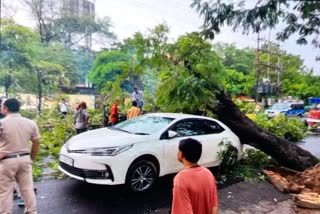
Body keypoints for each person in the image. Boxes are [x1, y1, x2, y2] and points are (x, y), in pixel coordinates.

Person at [0, 98, 40, 214]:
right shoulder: (30, 123)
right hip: (25, 159)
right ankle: (31, 212)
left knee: (5, 191)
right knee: (27, 189)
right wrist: (31, 158)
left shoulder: (2, 123)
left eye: (2, 106)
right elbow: (36, 142)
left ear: (6, 108)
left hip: (6, 161)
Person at [171, 138, 218, 214]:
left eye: (178, 150)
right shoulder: (208, 173)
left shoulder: (181, 178)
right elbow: (214, 205)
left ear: (181, 154)